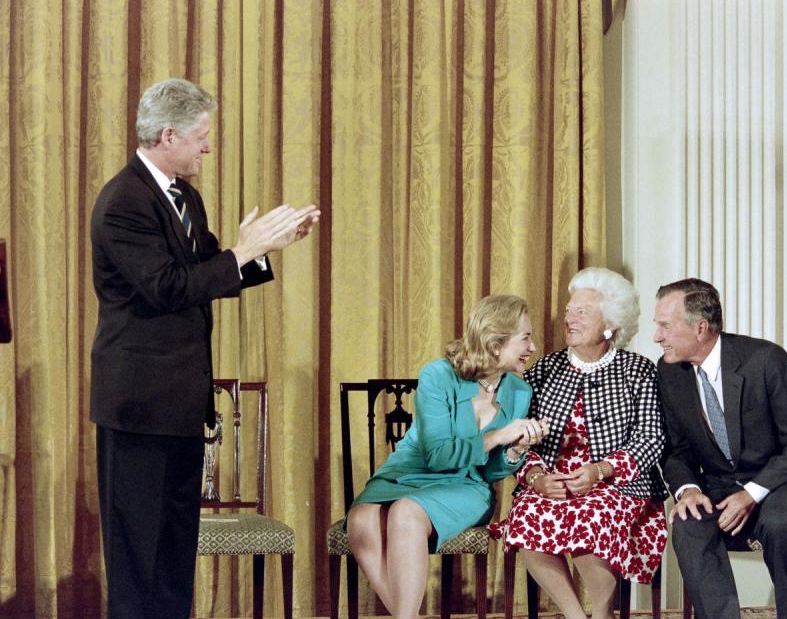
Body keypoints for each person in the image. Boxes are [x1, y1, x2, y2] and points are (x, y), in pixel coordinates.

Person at [90, 78, 320, 619]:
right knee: (136, 553)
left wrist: (265, 250)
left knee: (174, 549)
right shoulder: (123, 202)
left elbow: (207, 270)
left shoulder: (183, 196)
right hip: (138, 405)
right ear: (168, 135)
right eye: (201, 137)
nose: (208, 148)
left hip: (180, 403)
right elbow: (167, 287)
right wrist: (245, 249)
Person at [346, 294, 549, 619]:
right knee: (361, 519)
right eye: (525, 338)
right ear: (496, 342)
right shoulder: (438, 375)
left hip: (466, 486)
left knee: (404, 513)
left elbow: (492, 472)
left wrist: (514, 450)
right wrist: (499, 435)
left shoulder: (519, 392)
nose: (533, 347)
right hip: (410, 472)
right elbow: (438, 454)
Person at [491, 268, 668, 619]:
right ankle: (576, 615)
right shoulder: (545, 369)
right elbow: (522, 436)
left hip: (617, 484)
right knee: (527, 514)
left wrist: (601, 470)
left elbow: (651, 438)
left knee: (594, 515)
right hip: (554, 482)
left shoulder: (638, 370)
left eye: (581, 312)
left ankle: (599, 614)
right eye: (569, 311)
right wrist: (537, 477)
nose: (568, 319)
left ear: (610, 323)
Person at [653, 278, 787, 619]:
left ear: (700, 327)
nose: (657, 337)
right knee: (689, 524)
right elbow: (676, 451)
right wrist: (688, 490)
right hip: (722, 483)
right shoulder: (670, 372)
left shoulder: (765, 359)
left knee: (778, 522)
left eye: (665, 326)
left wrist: (752, 493)